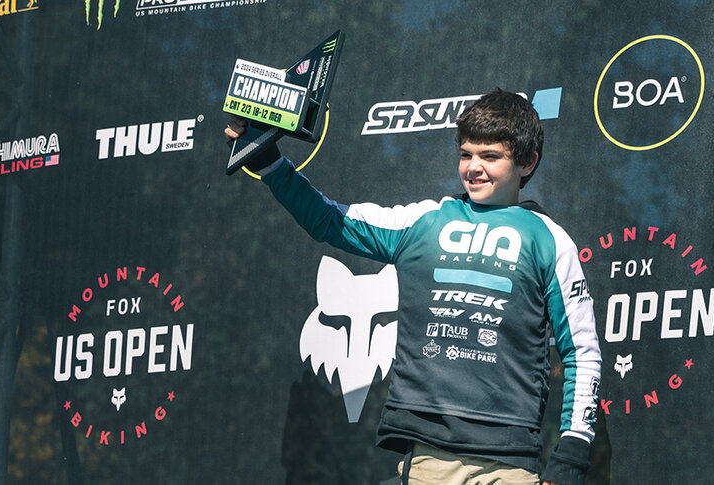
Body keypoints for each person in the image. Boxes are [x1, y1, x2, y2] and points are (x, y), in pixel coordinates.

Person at [225, 89, 602, 485]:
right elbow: (328, 220)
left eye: (490, 156)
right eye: (466, 154)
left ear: (527, 162)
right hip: (428, 459)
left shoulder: (550, 240)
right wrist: (267, 159)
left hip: (510, 464)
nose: (473, 167)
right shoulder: (425, 220)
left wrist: (569, 462)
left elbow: (583, 354)